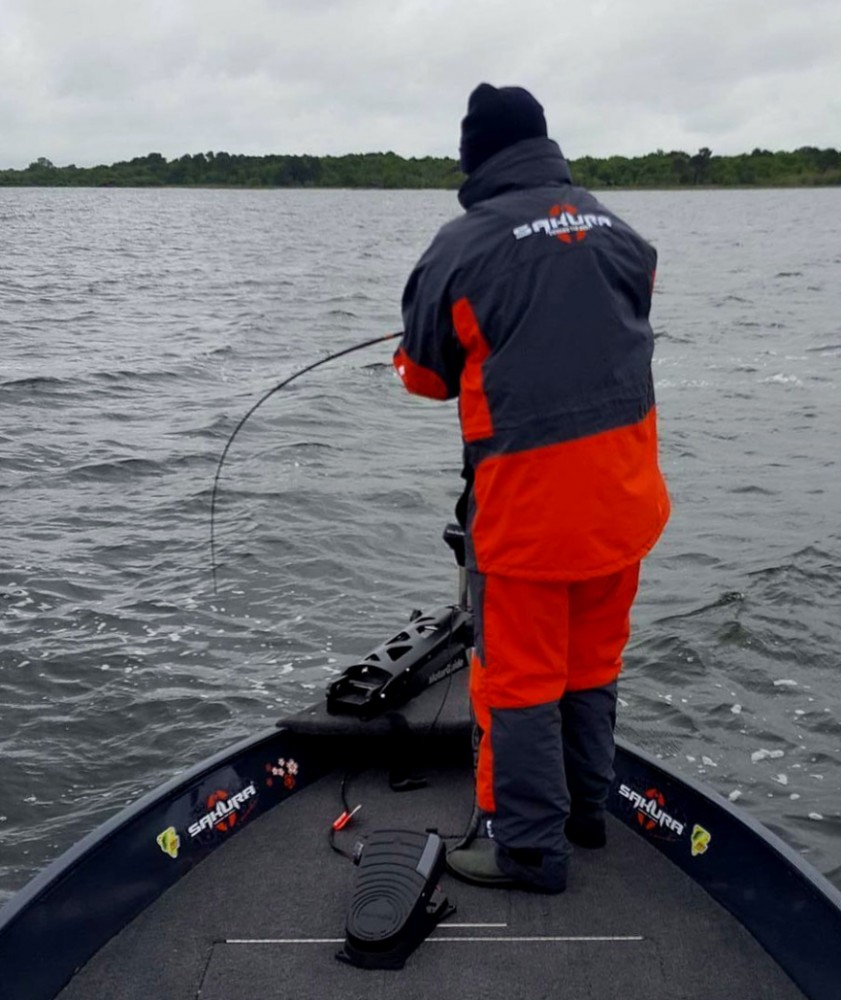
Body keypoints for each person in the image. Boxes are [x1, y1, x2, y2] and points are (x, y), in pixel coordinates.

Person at [393, 83, 670, 893]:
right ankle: (586, 813)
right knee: (590, 667)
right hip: (623, 506)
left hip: (527, 523)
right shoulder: (619, 232)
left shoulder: (461, 246)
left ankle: (527, 852)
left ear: (472, 156)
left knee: (518, 686)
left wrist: (406, 355)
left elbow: (425, 377)